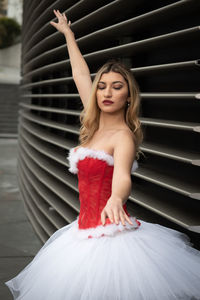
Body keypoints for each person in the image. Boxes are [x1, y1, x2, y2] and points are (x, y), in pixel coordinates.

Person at [5, 9, 200, 300]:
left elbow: (122, 176)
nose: (107, 92)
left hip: (111, 239)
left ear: (128, 96)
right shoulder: (94, 124)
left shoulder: (123, 137)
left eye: (117, 87)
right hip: (81, 232)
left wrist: (116, 198)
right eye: (103, 87)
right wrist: (69, 35)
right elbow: (80, 74)